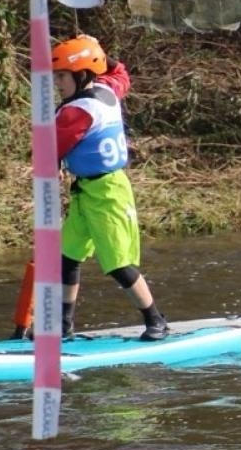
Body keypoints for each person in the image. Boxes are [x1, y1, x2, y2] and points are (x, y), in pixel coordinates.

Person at [51, 34, 169, 342]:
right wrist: (100, 53)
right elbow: (120, 74)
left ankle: (156, 319)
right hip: (84, 193)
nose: (57, 83)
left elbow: (50, 148)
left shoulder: (77, 113)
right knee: (68, 257)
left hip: (108, 193)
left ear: (82, 75)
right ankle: (63, 325)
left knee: (118, 263)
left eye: (62, 76)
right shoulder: (106, 89)